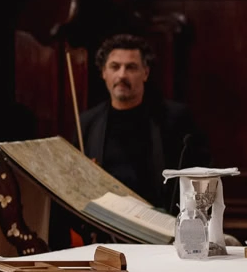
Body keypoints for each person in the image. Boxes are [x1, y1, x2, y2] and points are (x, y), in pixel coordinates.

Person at [79, 34, 211, 213]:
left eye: (131, 67)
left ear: (145, 73)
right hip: (105, 223)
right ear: (104, 72)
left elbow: (200, 179)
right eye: (115, 67)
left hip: (159, 222)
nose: (122, 75)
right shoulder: (88, 123)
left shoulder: (175, 118)